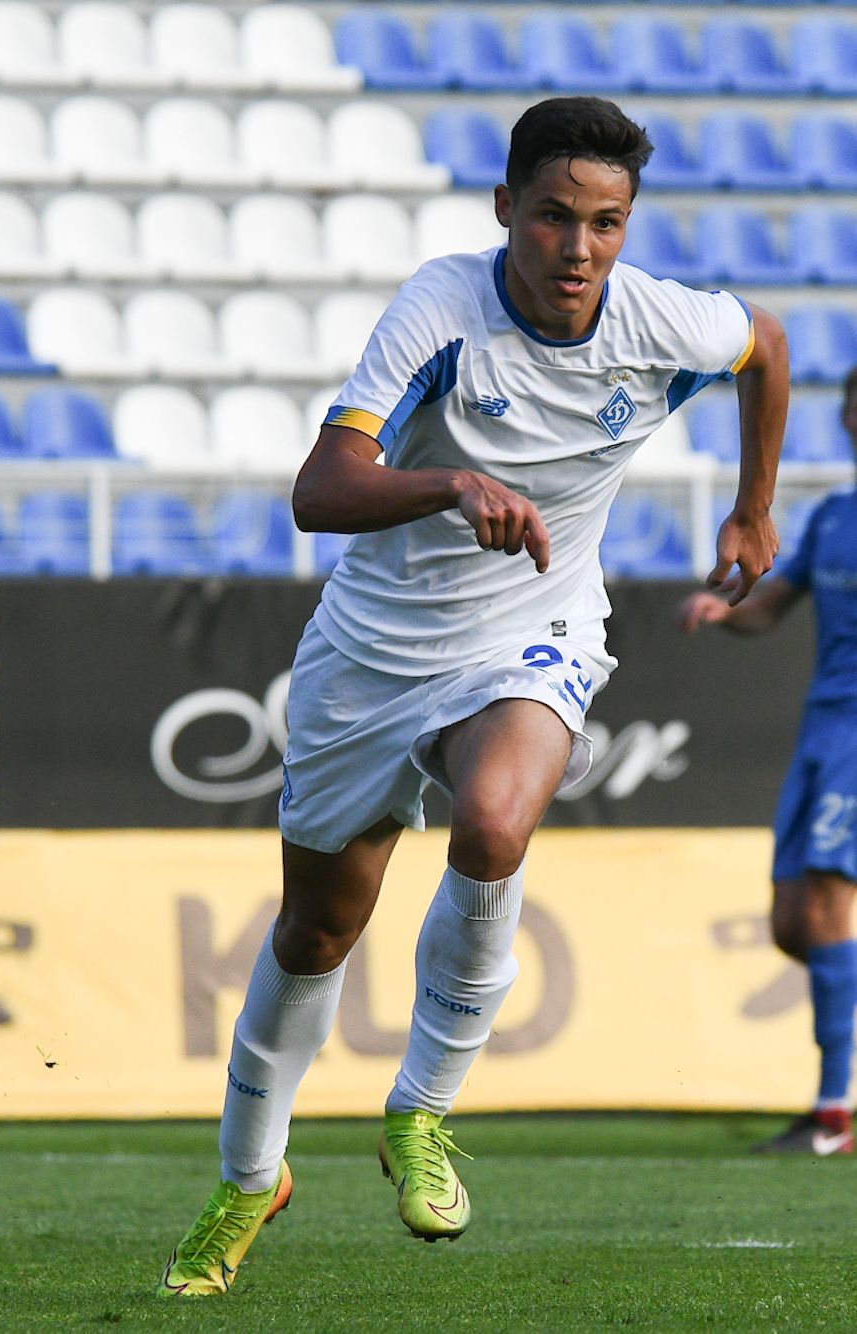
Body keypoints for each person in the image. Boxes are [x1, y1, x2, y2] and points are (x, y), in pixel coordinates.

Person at [157, 95, 788, 1298]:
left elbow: (763, 342)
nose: (579, 248)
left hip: (530, 627)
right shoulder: (442, 308)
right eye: (553, 216)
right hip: (370, 653)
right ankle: (249, 1180)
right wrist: (448, 481)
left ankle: (420, 1111)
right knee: (315, 931)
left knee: (495, 823)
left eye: (604, 222)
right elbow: (319, 487)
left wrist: (753, 504)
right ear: (506, 210)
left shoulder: (659, 321)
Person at [679, 367, 857, 1158]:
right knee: (794, 923)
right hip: (824, 729)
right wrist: (727, 612)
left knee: (825, 903)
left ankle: (832, 1116)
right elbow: (775, 608)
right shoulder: (832, 520)